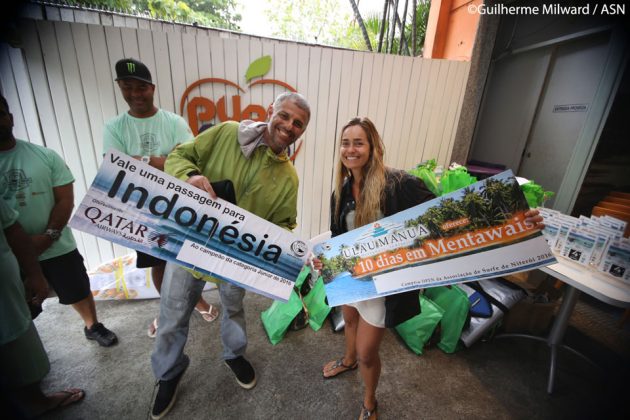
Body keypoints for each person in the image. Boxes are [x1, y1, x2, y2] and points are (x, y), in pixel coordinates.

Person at [315, 117, 543, 419]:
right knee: (350, 321)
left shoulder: (398, 183)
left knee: (368, 352)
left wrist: (515, 218)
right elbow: (337, 237)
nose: (351, 149)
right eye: (346, 143)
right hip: (351, 280)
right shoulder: (341, 191)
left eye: (359, 142)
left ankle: (370, 402)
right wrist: (325, 261)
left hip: (382, 287)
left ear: (373, 147)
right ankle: (348, 360)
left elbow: (451, 213)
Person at [150, 92, 310, 419]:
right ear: (270, 111)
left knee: (234, 310)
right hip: (188, 244)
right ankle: (168, 372)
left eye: (298, 124)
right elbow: (180, 155)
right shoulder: (227, 132)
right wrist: (189, 177)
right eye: (285, 116)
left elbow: (283, 225)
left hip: (235, 260)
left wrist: (289, 253)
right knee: (172, 313)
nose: (289, 126)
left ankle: (234, 354)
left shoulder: (289, 178)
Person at [103, 58, 218, 337]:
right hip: (140, 208)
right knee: (156, 262)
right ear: (120, 87)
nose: (134, 93)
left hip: (178, 207)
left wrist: (140, 160)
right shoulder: (115, 127)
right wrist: (162, 159)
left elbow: (188, 160)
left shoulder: (173, 122)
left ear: (152, 88)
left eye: (140, 87)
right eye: (127, 87)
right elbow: (116, 166)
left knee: (186, 259)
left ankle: (197, 301)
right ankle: (166, 309)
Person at [0, 95, 117, 347]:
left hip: (55, 244)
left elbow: (65, 200)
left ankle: (92, 325)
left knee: (77, 288)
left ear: (10, 118)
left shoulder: (44, 156)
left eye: (0, 114)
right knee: (16, 306)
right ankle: (25, 346)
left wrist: (48, 236)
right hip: (7, 254)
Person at [0, 199, 85, 418]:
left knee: (21, 354)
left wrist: (35, 273)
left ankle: (39, 401)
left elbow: (13, 229)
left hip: (7, 301)